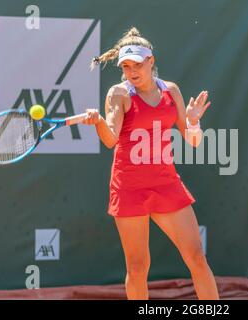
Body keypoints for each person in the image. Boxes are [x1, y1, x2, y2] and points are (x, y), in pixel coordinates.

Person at [82, 27, 219, 300]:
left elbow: (193, 140)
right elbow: (110, 139)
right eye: (126, 66)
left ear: (151, 61)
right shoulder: (119, 94)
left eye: (137, 64)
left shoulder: (172, 91)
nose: (131, 71)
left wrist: (192, 122)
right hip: (129, 187)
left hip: (166, 183)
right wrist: (98, 122)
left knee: (196, 258)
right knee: (137, 267)